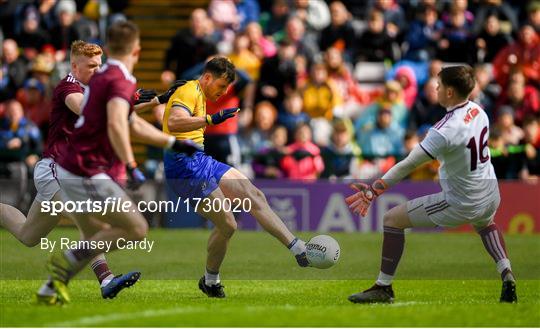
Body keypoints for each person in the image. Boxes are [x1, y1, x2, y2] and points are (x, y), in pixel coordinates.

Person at [38, 21, 198, 305]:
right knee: (136, 228)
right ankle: (67, 261)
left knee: (92, 233)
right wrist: (132, 164)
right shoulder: (116, 80)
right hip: (83, 170)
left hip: (71, 167)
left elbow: (129, 120)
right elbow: (118, 123)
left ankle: (52, 287)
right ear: (137, 51)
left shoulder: (102, 78)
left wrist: (173, 142)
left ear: (109, 50)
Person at [345, 66, 517, 304]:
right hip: (489, 192)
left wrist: (373, 191)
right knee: (486, 224)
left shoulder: (443, 131)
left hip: (462, 201)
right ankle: (507, 273)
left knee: (392, 220)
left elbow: (407, 165)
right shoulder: (479, 111)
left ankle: (383, 287)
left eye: (439, 85)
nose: (435, 88)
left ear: (449, 92)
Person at [162, 56, 309, 298]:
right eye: (220, 86)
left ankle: (297, 247)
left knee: (253, 194)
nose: (222, 93)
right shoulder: (189, 90)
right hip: (183, 168)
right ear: (207, 77)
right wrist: (210, 119)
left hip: (200, 160)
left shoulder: (199, 92)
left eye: (226, 89)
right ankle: (211, 280)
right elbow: (174, 121)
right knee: (228, 224)